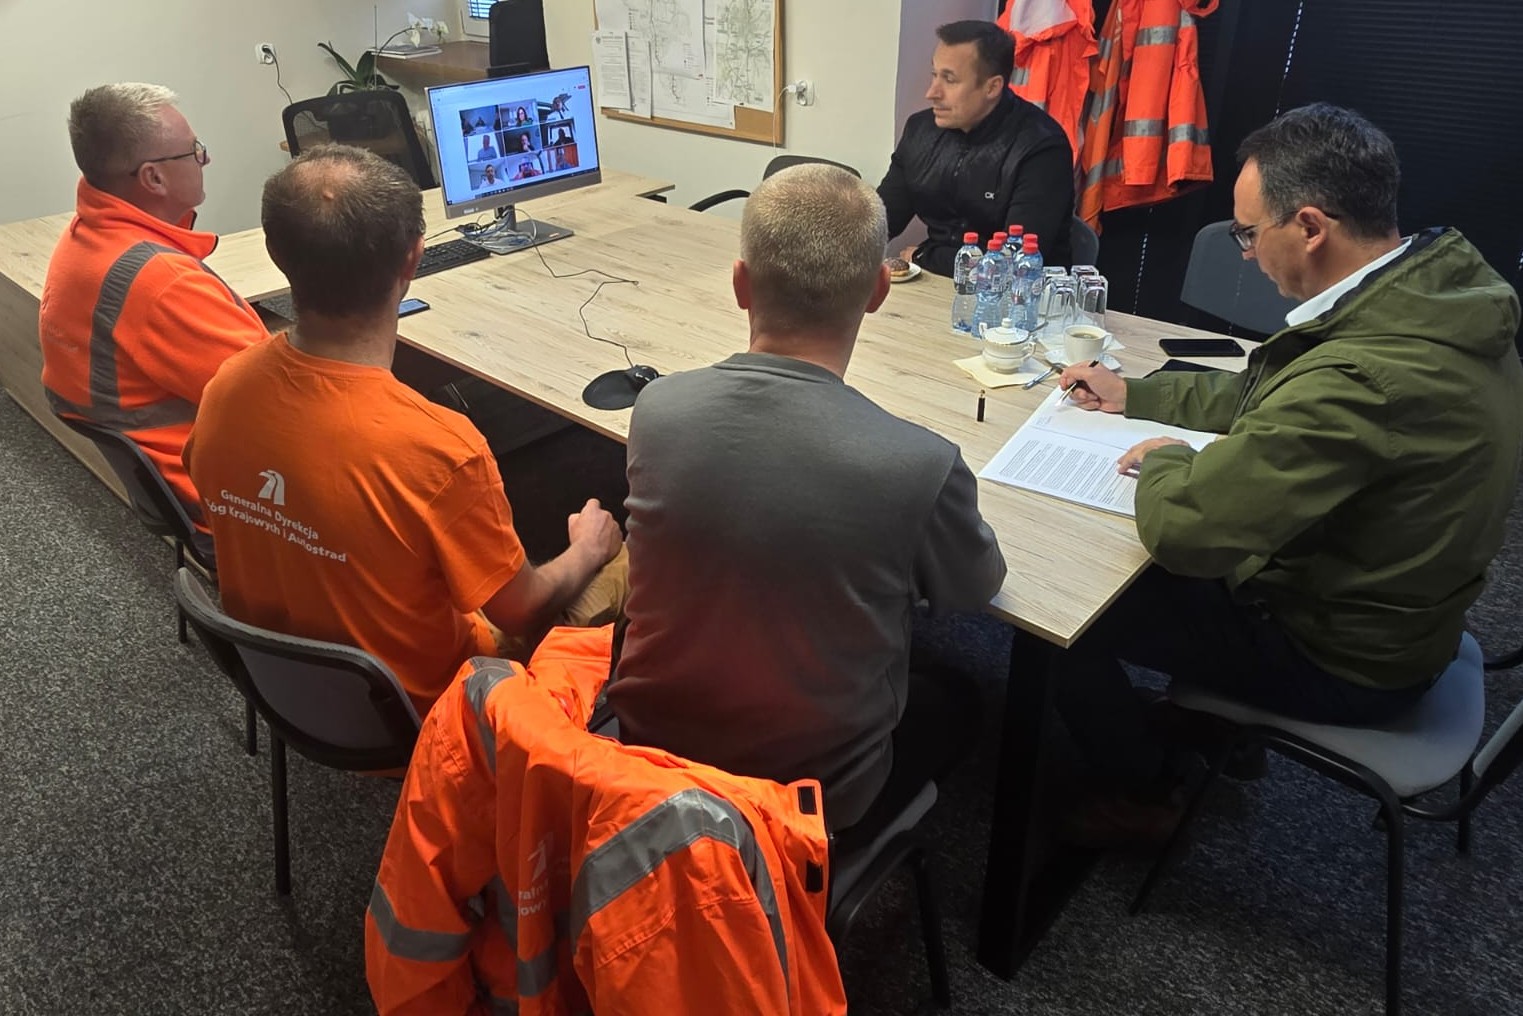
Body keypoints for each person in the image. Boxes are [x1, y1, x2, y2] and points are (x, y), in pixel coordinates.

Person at [1052, 103, 1523, 843]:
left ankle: (1144, 792)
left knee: (1058, 609)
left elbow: (1187, 531)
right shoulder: (1432, 299)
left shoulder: (1365, 376)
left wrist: (1170, 458)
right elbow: (1271, 395)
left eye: (1247, 233)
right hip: (1402, 618)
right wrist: (1135, 394)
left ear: (1309, 226)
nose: (1244, 253)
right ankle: (1221, 736)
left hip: (1342, 657)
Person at [608, 164, 1008, 832]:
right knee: (962, 698)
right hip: (809, 801)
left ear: (740, 284)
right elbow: (973, 589)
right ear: (879, 290)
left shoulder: (657, 407)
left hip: (648, 747)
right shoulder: (920, 463)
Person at [184, 145, 627, 717]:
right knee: (637, 557)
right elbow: (521, 612)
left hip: (287, 683)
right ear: (413, 259)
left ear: (276, 254)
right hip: (429, 705)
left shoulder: (225, 387)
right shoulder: (439, 447)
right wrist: (588, 548)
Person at [38, 83, 266, 515]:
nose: (206, 159)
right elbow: (288, 405)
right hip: (232, 495)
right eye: (194, 150)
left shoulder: (87, 236)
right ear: (153, 178)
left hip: (171, 472)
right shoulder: (164, 285)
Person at [878, 20, 1074, 275]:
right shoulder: (920, 131)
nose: (932, 92)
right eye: (935, 75)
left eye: (949, 80)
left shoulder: (1041, 148)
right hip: (937, 282)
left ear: (992, 87)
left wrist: (925, 255)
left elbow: (1016, 262)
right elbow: (878, 223)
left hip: (1020, 293)